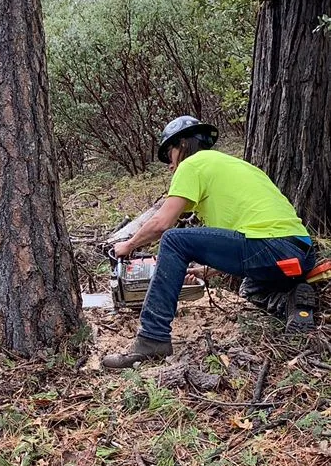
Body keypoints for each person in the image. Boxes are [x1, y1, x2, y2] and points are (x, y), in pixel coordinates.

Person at [102, 116, 316, 369]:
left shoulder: (192, 165)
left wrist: (128, 245)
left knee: (173, 240)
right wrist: (206, 269)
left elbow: (162, 223)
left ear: (182, 145)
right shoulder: (237, 166)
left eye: (169, 154)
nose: (170, 165)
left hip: (268, 246)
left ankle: (152, 337)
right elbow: (241, 237)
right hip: (298, 253)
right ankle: (291, 301)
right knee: (250, 289)